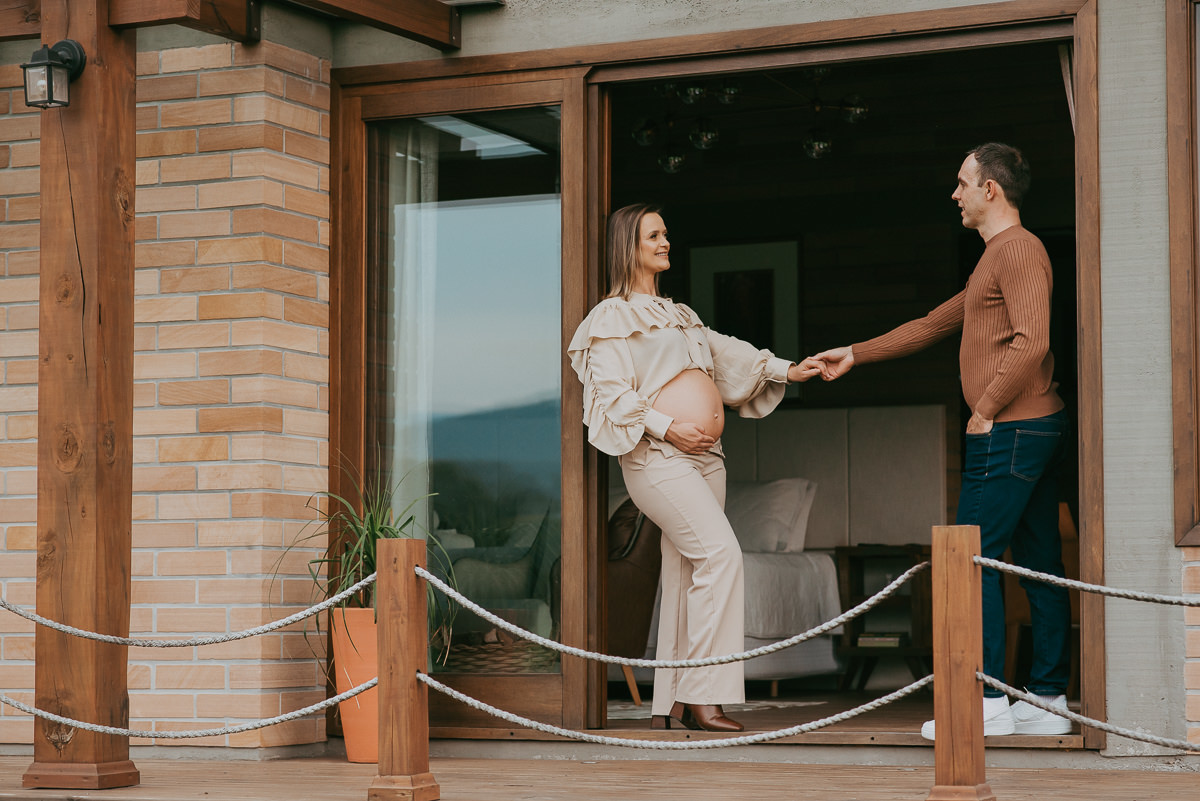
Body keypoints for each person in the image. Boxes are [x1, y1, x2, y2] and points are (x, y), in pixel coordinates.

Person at [811, 142, 1073, 739]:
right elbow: (934, 323)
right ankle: (1047, 700)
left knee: (967, 560)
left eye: (962, 183)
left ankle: (982, 705)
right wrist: (856, 353)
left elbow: (1031, 341)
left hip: (1010, 430)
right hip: (1025, 428)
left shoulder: (1020, 251)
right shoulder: (996, 258)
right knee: (1039, 565)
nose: (954, 194)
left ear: (991, 190)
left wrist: (983, 410)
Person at [568, 203, 821, 732]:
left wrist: (791, 370)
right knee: (722, 555)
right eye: (654, 235)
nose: (665, 242)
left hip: (707, 459)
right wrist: (668, 426)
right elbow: (610, 394)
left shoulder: (682, 316)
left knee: (687, 572)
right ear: (627, 247)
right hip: (658, 457)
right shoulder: (610, 318)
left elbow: (729, 355)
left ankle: (673, 705)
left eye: (666, 233)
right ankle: (707, 697)